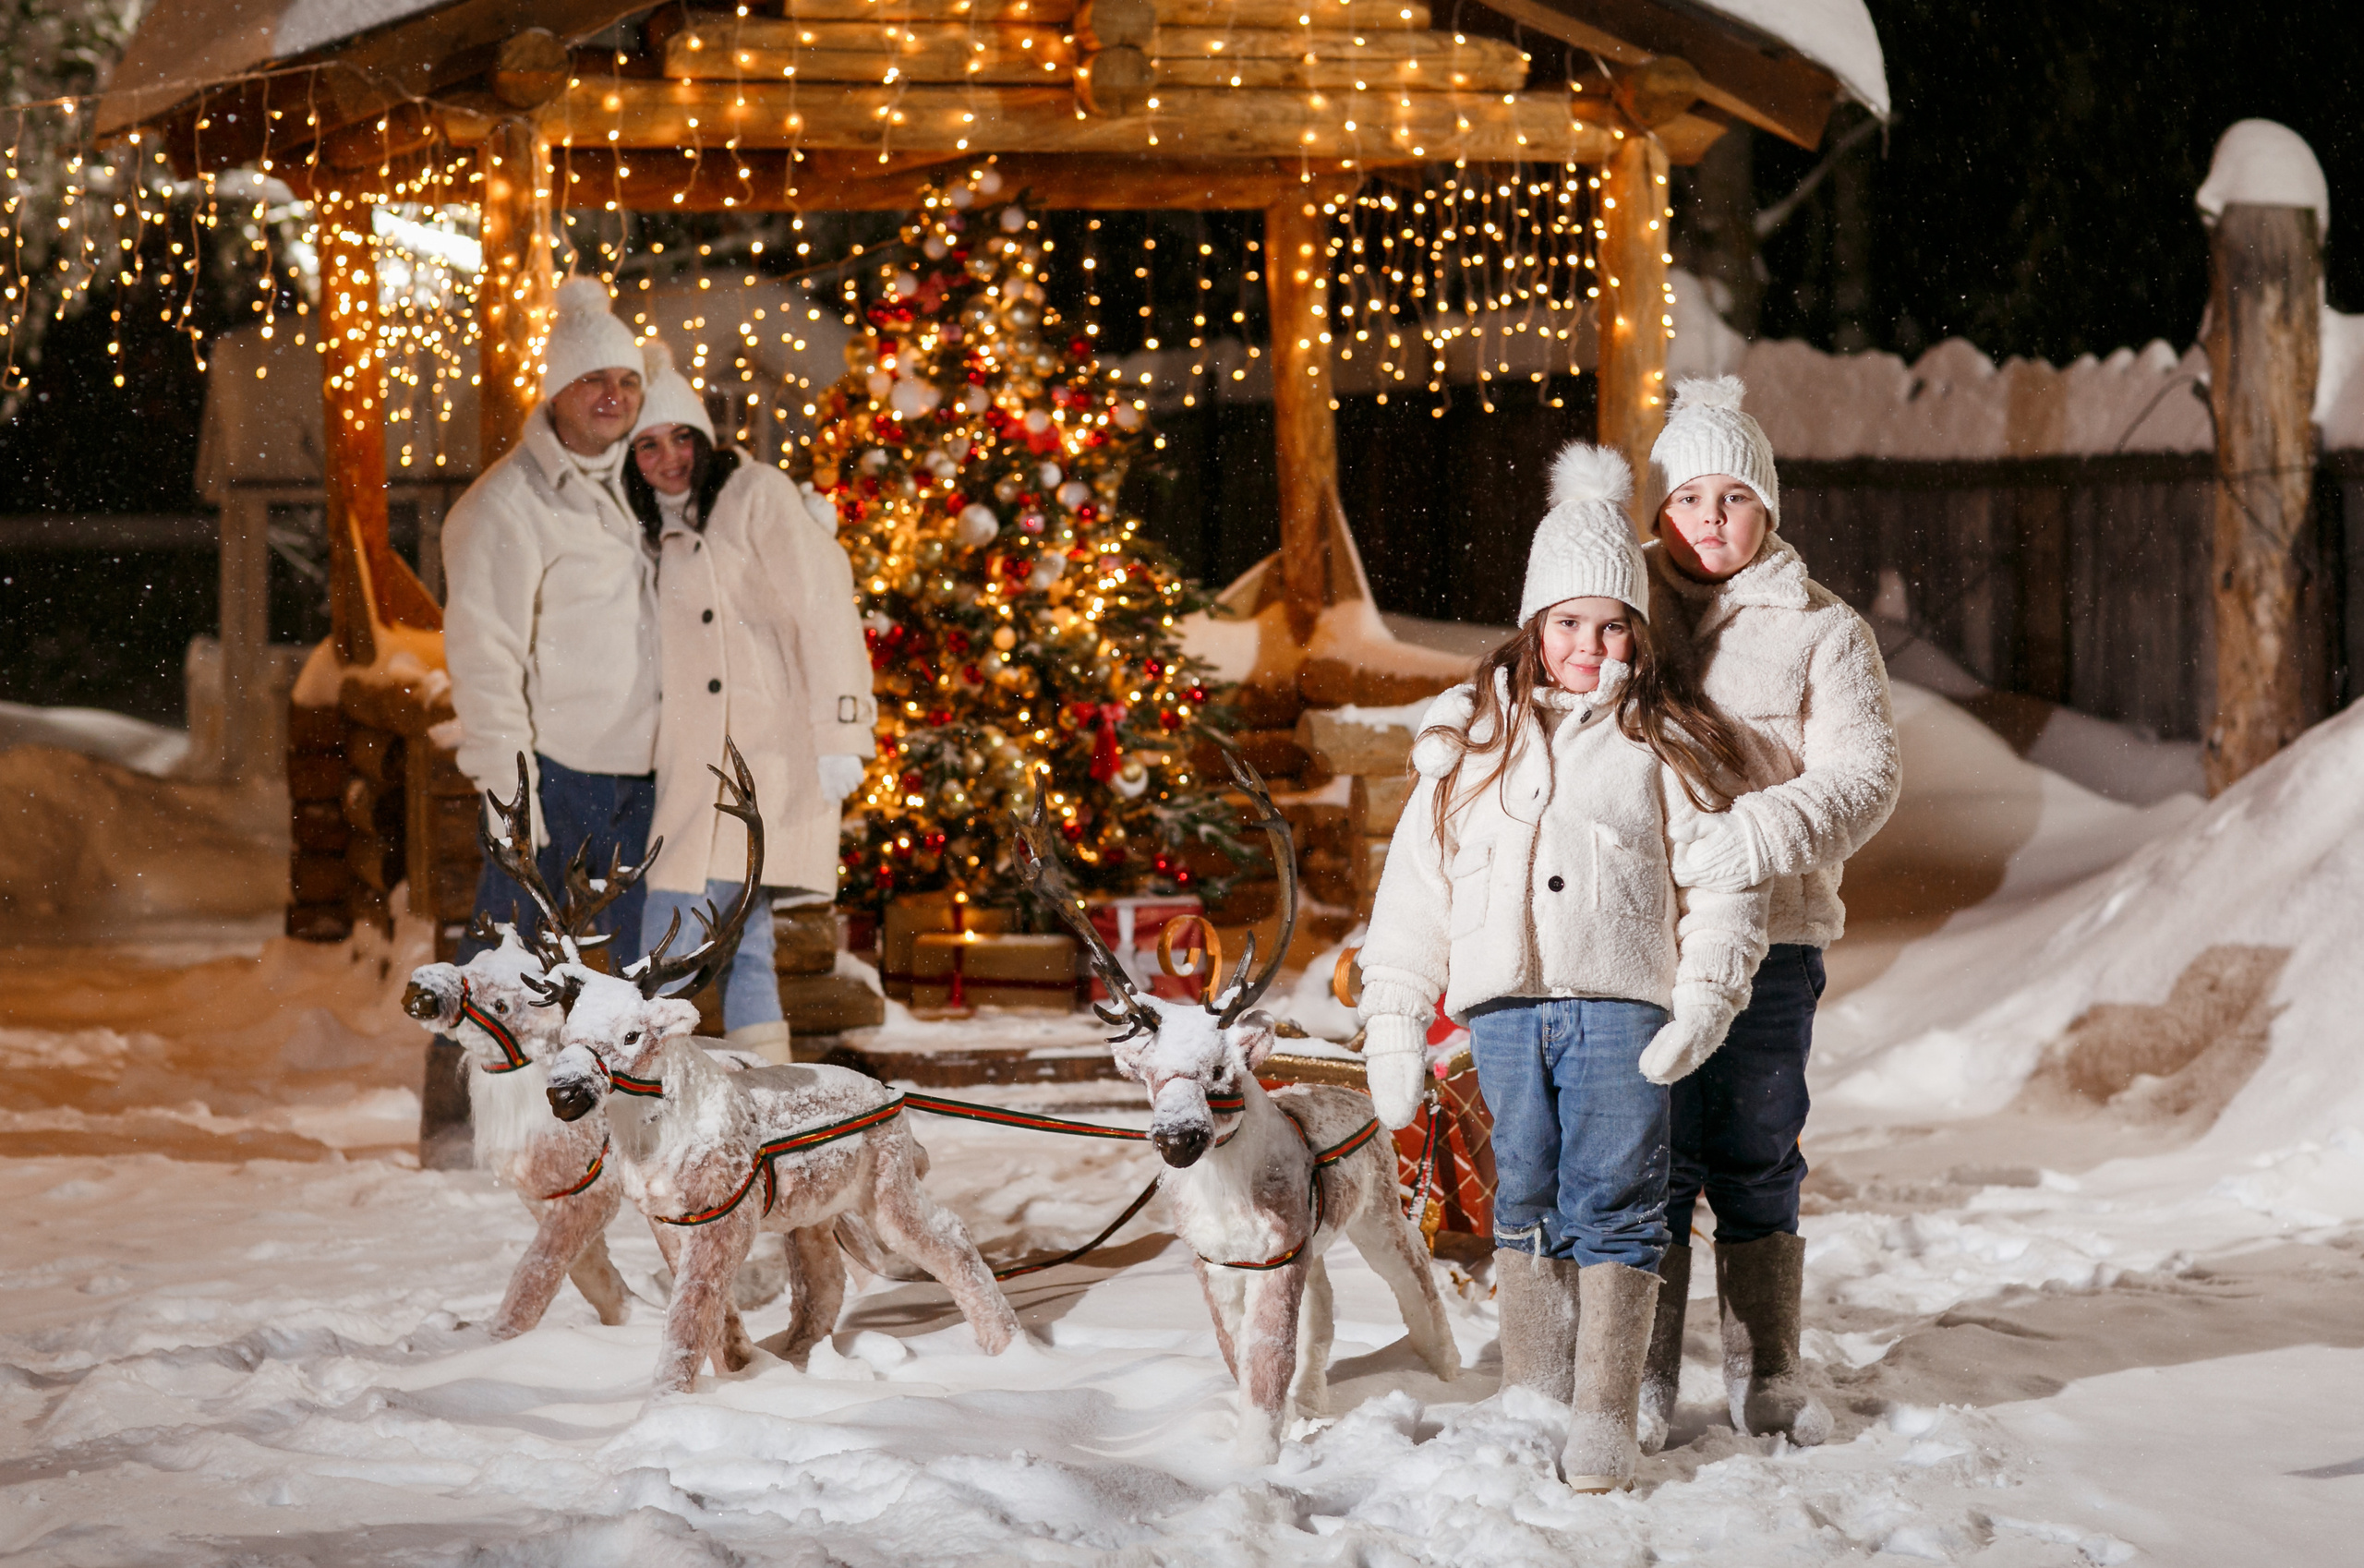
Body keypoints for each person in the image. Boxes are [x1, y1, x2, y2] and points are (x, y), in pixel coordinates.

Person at [1357, 443, 1768, 1493]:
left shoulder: (1662, 743)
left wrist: (1706, 997)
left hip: (1621, 1011)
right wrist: (1395, 1021)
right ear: (1535, 629)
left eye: (1613, 623)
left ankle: (1600, 1417)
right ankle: (1531, 1396)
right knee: (1525, 1197)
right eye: (1568, 623)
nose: (1590, 644)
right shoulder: (1468, 746)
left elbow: (1725, 888)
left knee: (1617, 1198)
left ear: (1637, 630)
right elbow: (1415, 890)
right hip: (1503, 1015)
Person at [1635, 375, 1902, 1454]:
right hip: (1638, 935)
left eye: (1732, 498)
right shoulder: (1621, 614)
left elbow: (1867, 776)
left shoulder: (1821, 630)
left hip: (1774, 936)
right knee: (1645, 1152)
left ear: (1769, 511)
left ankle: (1767, 1360)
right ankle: (1641, 1366)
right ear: (1657, 512)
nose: (1709, 518)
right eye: (1688, 497)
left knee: (1752, 1142)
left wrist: (1751, 833)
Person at [622, 338, 876, 1060]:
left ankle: (649, 1092)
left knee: (667, 950)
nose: (668, 458)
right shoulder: (661, 538)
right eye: (647, 446)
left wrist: (842, 731)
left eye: (680, 438)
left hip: (765, 762)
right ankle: (761, 1097)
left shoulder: (755, 494)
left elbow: (823, 605)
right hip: (692, 778)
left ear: (705, 440)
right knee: (744, 945)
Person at [441, 276, 661, 970]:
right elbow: (485, 659)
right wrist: (513, 796)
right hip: (561, 775)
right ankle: (465, 1080)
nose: (613, 395)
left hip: (649, 774)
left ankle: (618, 1085)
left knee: (628, 981)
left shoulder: (649, 485)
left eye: (627, 381)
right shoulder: (505, 507)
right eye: (593, 378)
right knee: (508, 969)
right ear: (557, 390)